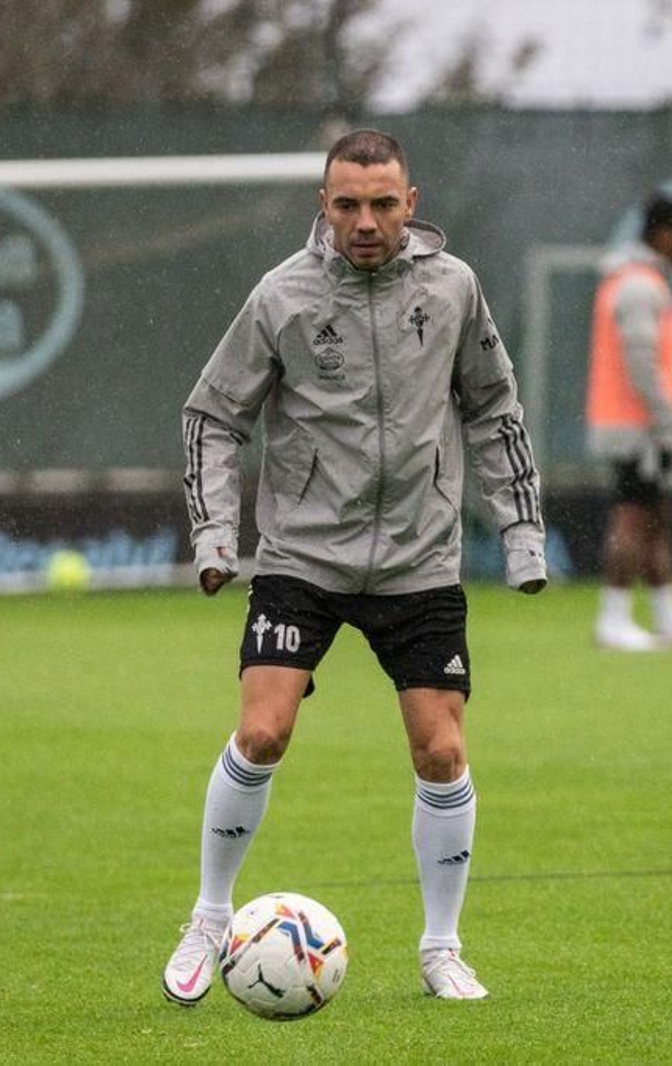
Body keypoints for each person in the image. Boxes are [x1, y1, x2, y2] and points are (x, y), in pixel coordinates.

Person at [164, 128, 547, 1005]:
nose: (365, 222)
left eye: (381, 204)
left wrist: (522, 536)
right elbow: (212, 416)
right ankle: (211, 917)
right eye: (347, 205)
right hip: (303, 554)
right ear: (323, 206)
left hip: (420, 557)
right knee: (262, 733)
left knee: (442, 752)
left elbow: (495, 409)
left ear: (410, 204)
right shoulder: (282, 296)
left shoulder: (453, 288)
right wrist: (217, 536)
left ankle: (442, 949)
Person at [584, 193, 672, 653]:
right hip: (636, 427)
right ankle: (614, 619)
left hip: (636, 423)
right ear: (663, 233)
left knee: (656, 517)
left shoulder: (636, 280)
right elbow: (641, 366)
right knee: (633, 517)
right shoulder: (640, 286)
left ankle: (668, 615)